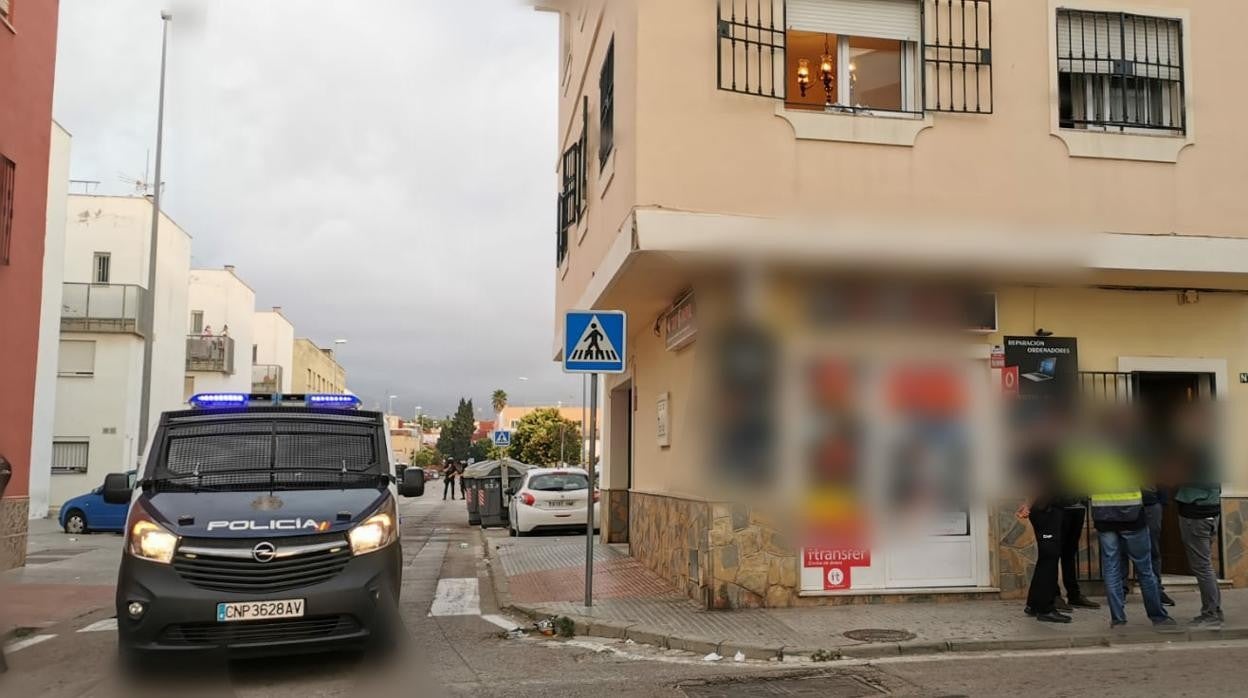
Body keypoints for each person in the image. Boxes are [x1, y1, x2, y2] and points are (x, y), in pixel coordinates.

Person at [1068, 406, 1174, 629]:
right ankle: (1158, 617)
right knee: (1145, 569)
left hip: (1105, 517)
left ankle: (1118, 618)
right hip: (1132, 516)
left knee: (1112, 569)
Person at [1172, 401, 1223, 628]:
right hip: (1208, 512)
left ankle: (1211, 613)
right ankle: (1212, 611)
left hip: (1197, 514)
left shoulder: (1198, 447)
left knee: (1202, 566)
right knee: (1205, 565)